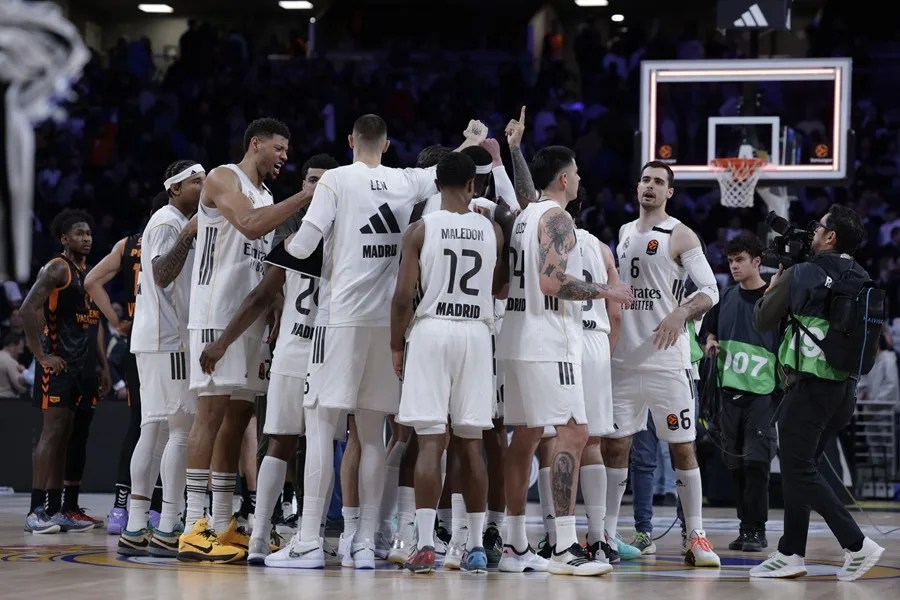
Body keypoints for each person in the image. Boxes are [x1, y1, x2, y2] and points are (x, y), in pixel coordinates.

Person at [282, 114, 486, 569]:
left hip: (339, 320)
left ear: (351, 140)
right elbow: (449, 168)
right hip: (387, 324)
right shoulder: (405, 180)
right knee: (371, 434)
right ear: (388, 144)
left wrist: (280, 243)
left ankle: (310, 540)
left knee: (320, 425)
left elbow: (301, 247)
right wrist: (471, 138)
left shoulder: (334, 180)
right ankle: (365, 545)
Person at [496, 145, 632, 576]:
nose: (577, 179)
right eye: (575, 172)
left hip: (514, 336)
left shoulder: (524, 216)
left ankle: (514, 545)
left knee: (527, 435)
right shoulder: (557, 218)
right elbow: (551, 282)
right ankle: (565, 547)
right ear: (564, 180)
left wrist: (513, 149)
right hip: (548, 340)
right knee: (575, 432)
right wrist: (606, 292)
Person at [197, 152, 339, 565]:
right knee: (317, 442)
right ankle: (311, 536)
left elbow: (261, 295)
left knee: (280, 441)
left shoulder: (294, 241)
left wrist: (224, 339)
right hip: (324, 350)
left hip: (292, 349)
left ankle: (260, 537)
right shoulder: (349, 242)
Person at [182, 118, 308, 563]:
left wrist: (274, 312)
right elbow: (251, 227)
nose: (283, 158)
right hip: (216, 314)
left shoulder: (268, 196)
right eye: (278, 148)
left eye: (287, 152)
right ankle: (192, 522)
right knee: (210, 415)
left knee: (238, 421)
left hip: (249, 319)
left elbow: (264, 268)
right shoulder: (222, 177)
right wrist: (309, 193)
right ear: (255, 144)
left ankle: (221, 523)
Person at [751, 205, 886, 580]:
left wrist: (779, 280)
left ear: (830, 238)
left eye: (820, 228)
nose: (812, 232)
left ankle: (857, 545)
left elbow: (762, 318)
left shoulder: (803, 272)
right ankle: (791, 552)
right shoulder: (860, 274)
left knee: (797, 467)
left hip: (809, 385)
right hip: (845, 390)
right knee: (802, 468)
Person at [602, 161, 721, 568]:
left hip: (667, 362)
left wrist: (680, 313)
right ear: (637, 187)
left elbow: (710, 289)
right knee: (617, 446)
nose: (649, 186)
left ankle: (697, 536)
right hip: (623, 360)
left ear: (669, 192)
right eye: (645, 179)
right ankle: (607, 534)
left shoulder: (680, 233)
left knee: (682, 448)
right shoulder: (621, 233)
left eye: (658, 182)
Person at [390, 152, 504, 574]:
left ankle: (423, 543)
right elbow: (499, 284)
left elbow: (403, 298)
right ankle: (473, 546)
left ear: (436, 186)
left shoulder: (421, 229)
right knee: (472, 442)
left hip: (432, 329)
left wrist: (396, 345)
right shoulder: (492, 230)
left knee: (430, 440)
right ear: (473, 186)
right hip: (476, 333)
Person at [21, 209, 110, 534]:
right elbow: (28, 307)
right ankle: (36, 511)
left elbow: (95, 322)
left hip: (84, 368)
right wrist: (41, 356)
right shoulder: (58, 268)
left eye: (88, 233)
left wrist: (102, 365)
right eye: (79, 233)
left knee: (74, 437)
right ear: (64, 238)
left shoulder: (90, 273)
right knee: (52, 434)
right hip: (58, 365)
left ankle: (65, 508)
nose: (86, 238)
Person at [703, 232, 778, 553]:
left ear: (757, 262)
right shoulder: (727, 297)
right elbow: (709, 330)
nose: (733, 266)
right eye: (730, 260)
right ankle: (744, 527)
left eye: (740, 260)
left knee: (756, 463)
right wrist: (708, 340)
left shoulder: (775, 300)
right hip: (728, 393)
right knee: (734, 465)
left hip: (763, 394)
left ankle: (756, 529)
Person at [0, 331, 26, 400]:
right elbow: (19, 386)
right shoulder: (11, 361)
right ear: (12, 346)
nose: (22, 352)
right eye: (20, 348)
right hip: (7, 401)